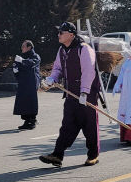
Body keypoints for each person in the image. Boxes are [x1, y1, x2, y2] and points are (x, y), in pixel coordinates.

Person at [39, 22, 102, 167]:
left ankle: (93, 155)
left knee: (89, 126)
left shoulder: (84, 49)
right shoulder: (62, 50)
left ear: (71, 35)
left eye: (61, 32)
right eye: (59, 32)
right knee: (67, 125)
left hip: (87, 94)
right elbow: (57, 68)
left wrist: (84, 92)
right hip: (70, 94)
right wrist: (51, 79)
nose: (59, 35)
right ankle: (57, 155)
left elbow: (89, 71)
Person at [13, 40, 41, 130]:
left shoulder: (35, 56)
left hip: (32, 82)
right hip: (23, 82)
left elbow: (31, 63)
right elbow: (18, 67)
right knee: (23, 101)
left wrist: (22, 61)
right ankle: (26, 120)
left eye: (23, 46)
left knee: (30, 101)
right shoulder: (21, 57)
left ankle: (32, 120)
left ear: (29, 47)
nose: (22, 48)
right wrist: (16, 70)